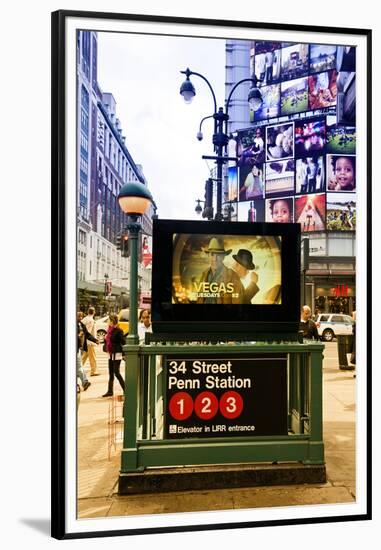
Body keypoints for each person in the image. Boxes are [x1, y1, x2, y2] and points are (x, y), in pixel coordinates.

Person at [197, 237, 244, 304]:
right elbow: (199, 299)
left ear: (223, 256)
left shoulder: (233, 276)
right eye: (212, 254)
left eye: (218, 255)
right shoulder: (204, 274)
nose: (214, 259)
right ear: (208, 255)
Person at [102, 314, 125, 397]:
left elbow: (123, 342)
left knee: (116, 373)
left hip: (117, 353)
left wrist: (124, 353)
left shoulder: (119, 331)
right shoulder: (109, 330)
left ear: (112, 321)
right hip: (110, 354)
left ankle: (126, 389)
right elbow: (107, 342)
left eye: (109, 320)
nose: (108, 321)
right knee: (111, 373)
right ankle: (110, 391)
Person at [77, 311, 97, 391]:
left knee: (79, 365)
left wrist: (95, 340)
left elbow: (87, 334)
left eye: (81, 316)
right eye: (79, 316)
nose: (80, 318)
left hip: (80, 348)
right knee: (79, 366)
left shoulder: (81, 324)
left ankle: (84, 382)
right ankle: (84, 382)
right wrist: (78, 336)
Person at [81, 306, 99, 376]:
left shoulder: (85, 319)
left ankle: (77, 368)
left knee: (85, 356)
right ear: (94, 312)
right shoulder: (90, 320)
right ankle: (93, 371)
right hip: (90, 342)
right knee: (92, 357)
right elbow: (88, 332)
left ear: (88, 312)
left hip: (86, 341)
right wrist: (95, 340)